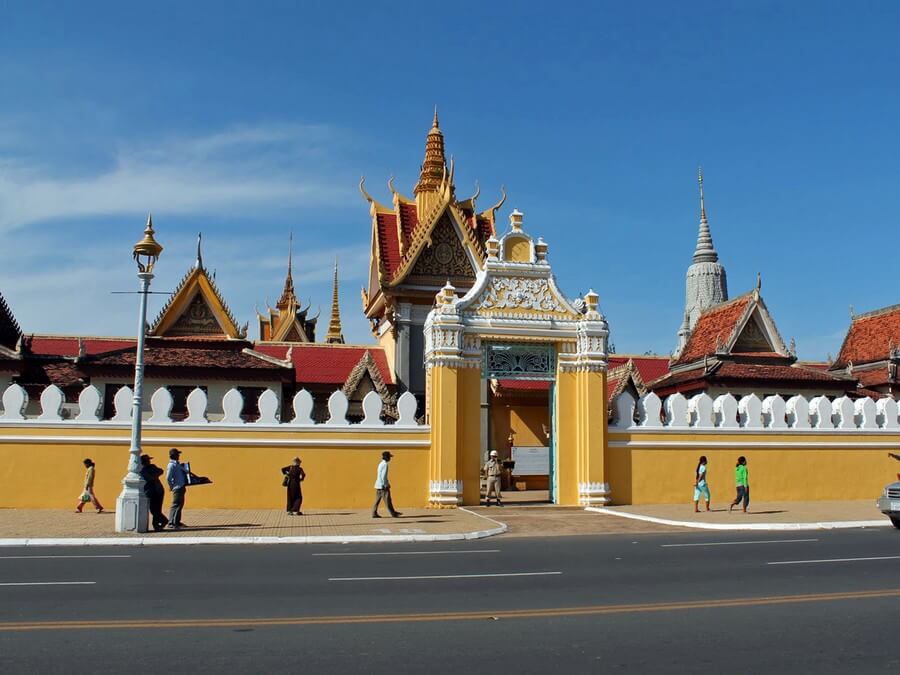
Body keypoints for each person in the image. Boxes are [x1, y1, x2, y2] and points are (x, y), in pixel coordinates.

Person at [140, 454, 168, 531]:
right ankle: (163, 521)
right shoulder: (142, 470)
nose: (149, 461)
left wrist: (154, 475)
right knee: (153, 510)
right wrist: (154, 475)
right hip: (150, 492)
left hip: (158, 491)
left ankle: (157, 525)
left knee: (157, 509)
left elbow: (161, 471)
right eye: (147, 460)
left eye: (149, 460)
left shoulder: (152, 466)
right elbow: (149, 478)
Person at [372, 451, 401, 518]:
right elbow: (383, 476)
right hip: (382, 485)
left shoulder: (380, 464)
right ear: (387, 457)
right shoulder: (385, 465)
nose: (390, 459)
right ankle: (393, 513)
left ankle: (374, 513)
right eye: (389, 457)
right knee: (388, 500)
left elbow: (380, 475)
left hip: (378, 484)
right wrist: (385, 484)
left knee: (377, 500)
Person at [165, 448, 188, 528]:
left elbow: (185, 471)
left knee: (179, 505)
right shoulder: (171, 465)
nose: (179, 456)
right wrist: (171, 486)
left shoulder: (177, 464)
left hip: (181, 487)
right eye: (177, 454)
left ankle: (177, 522)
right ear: (173, 455)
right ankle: (171, 523)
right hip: (177, 487)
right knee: (175, 505)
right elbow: (168, 477)